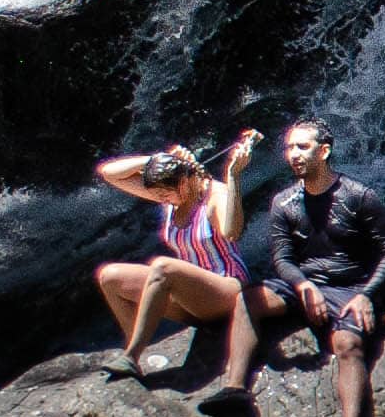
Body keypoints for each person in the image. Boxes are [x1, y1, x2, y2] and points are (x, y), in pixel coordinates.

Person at [246, 118, 385, 417]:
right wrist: (302, 284)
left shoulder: (359, 196)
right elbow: (282, 257)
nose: (294, 155)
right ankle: (235, 388)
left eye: (303, 147)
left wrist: (367, 295)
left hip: (350, 287)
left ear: (325, 151)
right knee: (248, 298)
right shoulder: (284, 202)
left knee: (348, 344)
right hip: (305, 285)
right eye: (289, 148)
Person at [91, 130, 266, 390]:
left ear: (184, 184)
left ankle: (131, 356)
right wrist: (155, 159)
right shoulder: (173, 194)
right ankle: (134, 348)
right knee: (109, 276)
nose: (162, 200)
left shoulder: (215, 196)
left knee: (163, 267)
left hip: (226, 291)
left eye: (164, 195)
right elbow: (109, 172)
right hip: (191, 297)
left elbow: (232, 231)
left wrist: (233, 178)